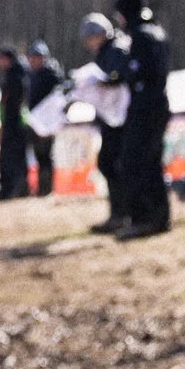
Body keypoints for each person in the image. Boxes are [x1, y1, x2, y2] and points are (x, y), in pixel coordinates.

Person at [111, 0, 172, 237]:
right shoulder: (156, 31)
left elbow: (141, 73)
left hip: (145, 107)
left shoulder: (141, 36)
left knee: (134, 162)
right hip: (157, 105)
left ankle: (144, 218)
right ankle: (158, 217)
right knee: (151, 162)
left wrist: (121, 74)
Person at [77, 12, 129, 232]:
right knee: (109, 163)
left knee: (112, 163)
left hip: (121, 118)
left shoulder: (116, 50)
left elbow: (119, 77)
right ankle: (119, 213)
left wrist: (105, 83)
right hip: (111, 117)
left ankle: (123, 213)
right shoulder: (107, 52)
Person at [24, 41, 63, 195]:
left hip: (48, 121)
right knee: (39, 155)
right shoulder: (31, 75)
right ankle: (42, 188)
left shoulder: (51, 75)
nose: (33, 60)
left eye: (37, 57)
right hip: (35, 121)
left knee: (45, 154)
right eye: (32, 57)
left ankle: (46, 189)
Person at [0, 45, 29, 200]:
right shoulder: (15, 75)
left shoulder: (16, 78)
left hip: (14, 126)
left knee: (11, 160)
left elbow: (12, 106)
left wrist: (6, 126)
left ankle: (12, 190)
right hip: (13, 125)